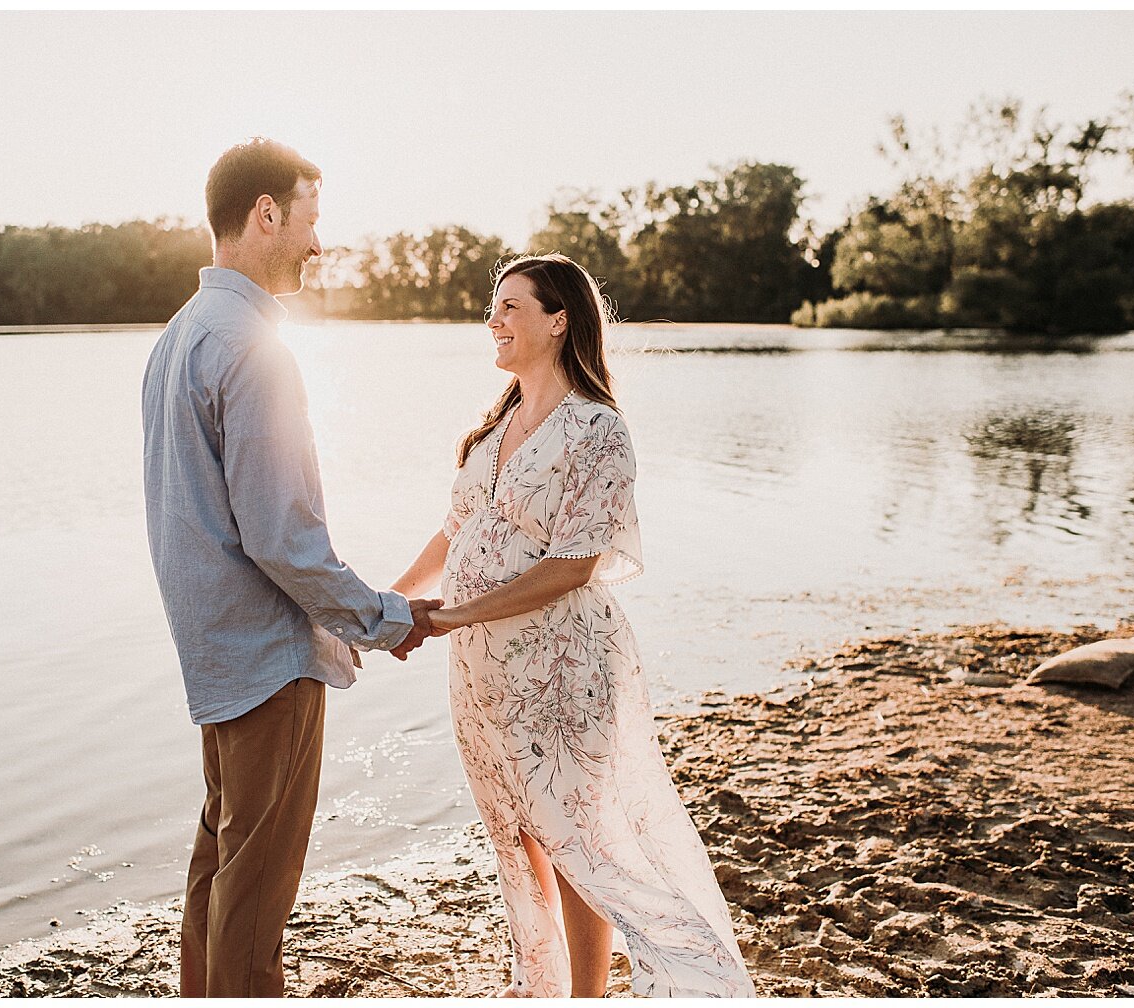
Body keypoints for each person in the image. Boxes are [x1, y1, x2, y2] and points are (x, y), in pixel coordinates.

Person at [391, 254, 756, 997]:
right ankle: (546, 987)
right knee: (521, 836)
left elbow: (573, 566)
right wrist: (386, 605)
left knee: (577, 838)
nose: (492, 320)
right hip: (484, 676)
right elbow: (453, 535)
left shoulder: (597, 431)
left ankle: (593, 996)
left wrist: (445, 617)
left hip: (563, 667)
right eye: (492, 307)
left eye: (510, 307)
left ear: (560, 321)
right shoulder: (489, 434)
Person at [142, 137, 439, 998]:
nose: (319, 245)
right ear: (266, 214)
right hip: (267, 661)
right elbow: (283, 538)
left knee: (220, 858)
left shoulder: (177, 338)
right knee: (258, 893)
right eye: (312, 221)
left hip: (212, 652)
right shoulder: (250, 346)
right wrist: (384, 619)